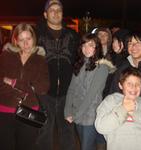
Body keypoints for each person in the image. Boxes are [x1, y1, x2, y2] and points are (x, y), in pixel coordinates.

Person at [35, 0, 80, 149]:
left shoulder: (72, 35)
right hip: (43, 92)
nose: (55, 12)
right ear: (45, 14)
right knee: (44, 131)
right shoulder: (36, 34)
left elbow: (80, 59)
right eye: (51, 10)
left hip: (68, 92)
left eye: (59, 9)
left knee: (67, 130)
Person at [0, 23, 49, 150]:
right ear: (15, 40)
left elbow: (43, 87)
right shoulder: (6, 56)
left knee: (27, 146)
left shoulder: (40, 59)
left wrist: (13, 83)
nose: (26, 43)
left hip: (29, 110)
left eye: (28, 39)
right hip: (5, 110)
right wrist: (28, 87)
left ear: (34, 38)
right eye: (21, 40)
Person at [64, 33, 115, 150]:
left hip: (91, 114)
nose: (86, 48)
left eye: (91, 45)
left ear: (97, 48)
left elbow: (91, 96)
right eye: (84, 45)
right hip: (77, 112)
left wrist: (76, 115)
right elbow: (71, 89)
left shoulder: (101, 67)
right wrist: (67, 111)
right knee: (85, 145)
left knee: (86, 147)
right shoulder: (80, 64)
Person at [95, 67, 141, 150]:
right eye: (129, 84)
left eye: (138, 84)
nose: (134, 87)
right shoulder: (111, 101)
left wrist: (134, 114)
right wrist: (123, 109)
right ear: (120, 85)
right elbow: (101, 127)